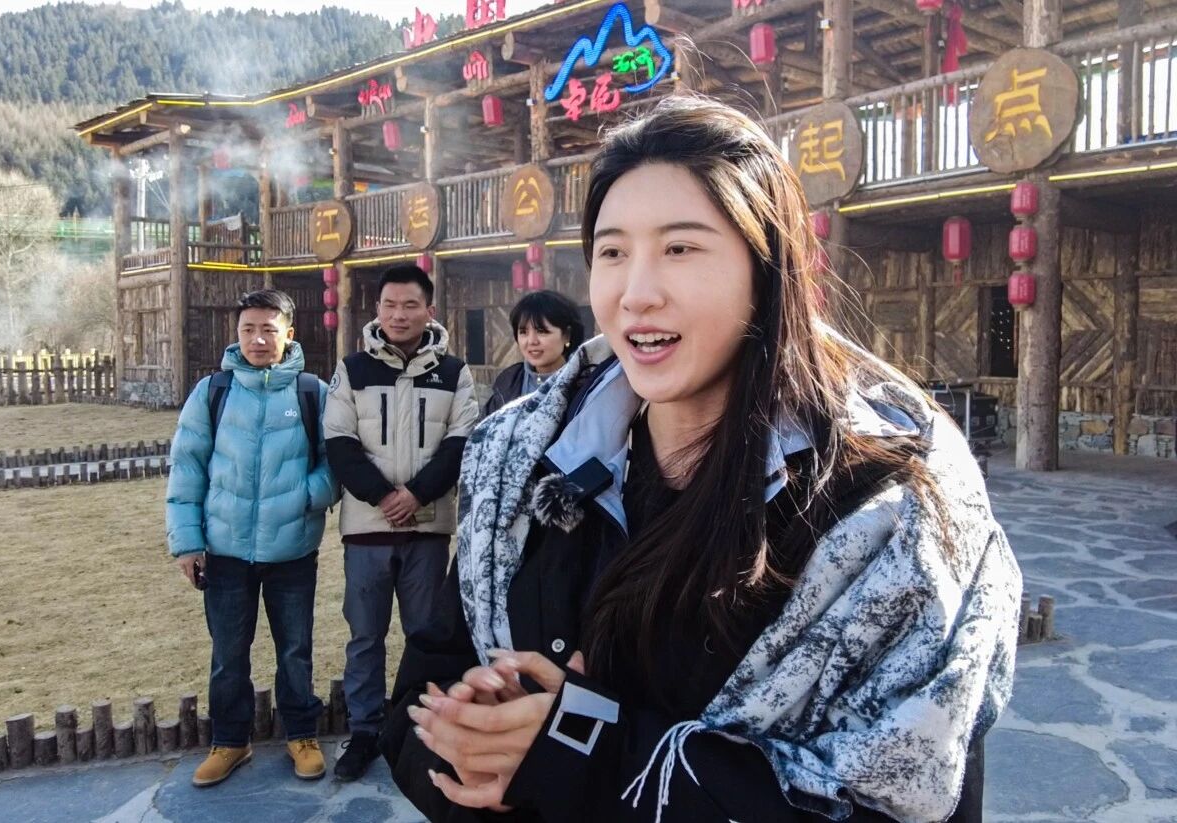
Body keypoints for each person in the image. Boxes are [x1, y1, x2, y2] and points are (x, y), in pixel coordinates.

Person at [382, 97, 1021, 822]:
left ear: (767, 270)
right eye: (613, 252)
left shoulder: (881, 516)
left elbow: (902, 802)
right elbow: (425, 685)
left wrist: (579, 756)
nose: (636, 293)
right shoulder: (526, 463)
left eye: (680, 249)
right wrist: (475, 758)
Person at [166, 289, 340, 787]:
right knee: (228, 655)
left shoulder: (311, 392)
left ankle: (301, 735)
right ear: (237, 334)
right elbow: (187, 467)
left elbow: (336, 461)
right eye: (248, 330)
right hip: (225, 550)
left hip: (292, 550)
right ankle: (230, 742)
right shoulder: (213, 392)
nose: (258, 340)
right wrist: (187, 542)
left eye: (268, 329)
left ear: (289, 334)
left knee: (295, 651)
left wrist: (305, 496)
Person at [324, 264, 479, 782]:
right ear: (377, 309)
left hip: (427, 531)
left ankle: (418, 733)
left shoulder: (454, 373)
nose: (399, 314)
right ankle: (364, 732)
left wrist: (415, 495)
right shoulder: (352, 369)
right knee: (365, 637)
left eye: (410, 305)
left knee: (425, 636)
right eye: (390, 304)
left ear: (429, 311)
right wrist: (384, 496)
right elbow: (340, 443)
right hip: (366, 529)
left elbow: (461, 442)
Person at [484, 290, 586, 417]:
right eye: (523, 332)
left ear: (566, 335)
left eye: (542, 331)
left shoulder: (584, 385)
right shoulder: (507, 383)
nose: (532, 341)